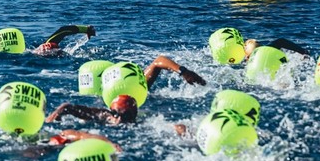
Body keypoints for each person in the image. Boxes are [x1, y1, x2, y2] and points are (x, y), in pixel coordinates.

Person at [45, 55, 206, 125]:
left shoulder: (139, 86)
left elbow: (159, 61)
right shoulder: (104, 113)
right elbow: (66, 108)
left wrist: (183, 71)